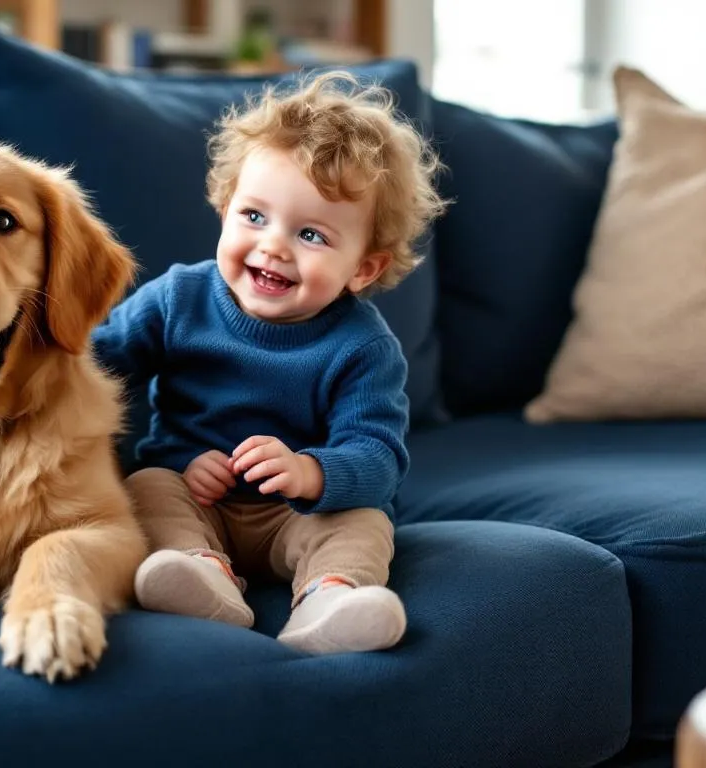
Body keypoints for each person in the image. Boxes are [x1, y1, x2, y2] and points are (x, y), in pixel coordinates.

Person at [90, 70, 446, 654]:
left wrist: (311, 472)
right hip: (195, 497)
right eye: (254, 216)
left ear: (364, 269)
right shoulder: (180, 298)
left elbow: (379, 456)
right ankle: (198, 574)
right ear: (225, 207)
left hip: (299, 516)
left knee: (366, 521)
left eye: (311, 234)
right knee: (148, 486)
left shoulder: (364, 348)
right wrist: (179, 460)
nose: (274, 246)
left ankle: (329, 600)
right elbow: (95, 373)